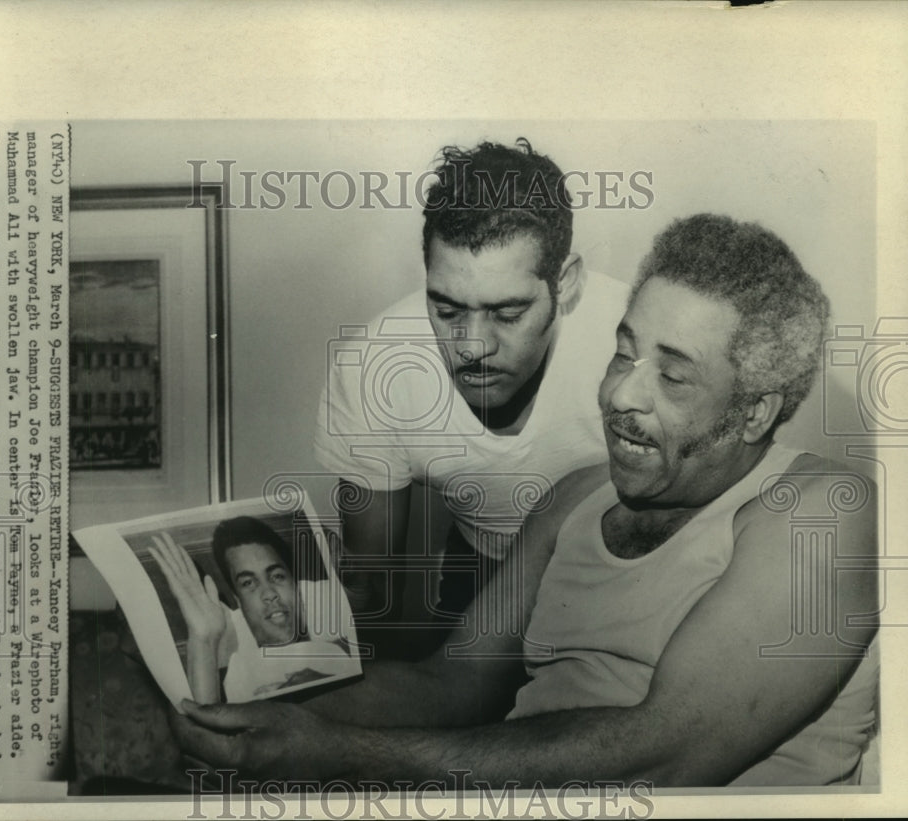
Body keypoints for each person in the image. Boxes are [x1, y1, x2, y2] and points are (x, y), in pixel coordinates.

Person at [172, 214, 879, 787]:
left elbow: (664, 755)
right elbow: (450, 685)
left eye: (673, 376)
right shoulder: (577, 495)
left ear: (755, 413)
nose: (619, 395)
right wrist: (257, 711)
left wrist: (343, 753)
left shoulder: (825, 512)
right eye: (623, 352)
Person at [315, 138, 630, 655]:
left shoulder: (634, 341)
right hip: (479, 571)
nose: (473, 347)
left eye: (508, 314)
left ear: (566, 282)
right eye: (448, 309)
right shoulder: (375, 365)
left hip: (623, 573)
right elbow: (371, 592)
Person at [150, 516, 353, 705]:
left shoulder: (337, 650)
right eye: (248, 583)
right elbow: (210, 732)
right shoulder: (239, 673)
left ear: (296, 587)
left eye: (277, 576)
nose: (269, 593)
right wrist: (203, 640)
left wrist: (326, 684)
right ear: (239, 600)